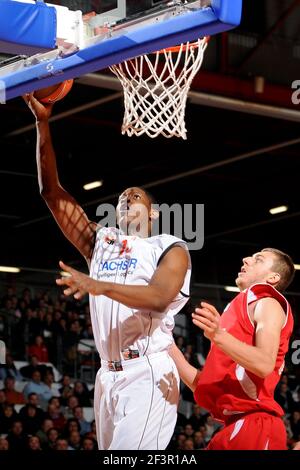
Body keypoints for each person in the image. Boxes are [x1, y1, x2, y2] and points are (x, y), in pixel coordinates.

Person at [24, 93, 191, 450]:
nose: (128, 197)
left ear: (153, 214)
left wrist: (97, 285)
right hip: (107, 376)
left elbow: (159, 297)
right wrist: (42, 123)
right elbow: (51, 192)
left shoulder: (169, 247)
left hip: (147, 371)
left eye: (137, 196)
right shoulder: (99, 241)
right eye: (123, 197)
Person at [169, 248, 295, 450]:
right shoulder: (234, 317)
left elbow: (264, 363)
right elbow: (204, 384)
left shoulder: (268, 302)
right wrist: (163, 340)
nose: (246, 259)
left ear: (273, 277)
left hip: (256, 425)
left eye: (258, 259)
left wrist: (218, 335)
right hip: (232, 426)